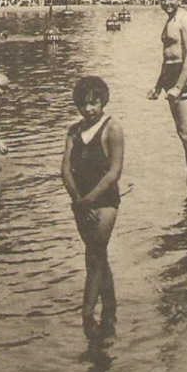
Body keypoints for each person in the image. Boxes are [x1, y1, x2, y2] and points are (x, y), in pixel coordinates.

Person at [61, 75, 124, 337]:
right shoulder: (73, 131)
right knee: (99, 255)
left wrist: (89, 200)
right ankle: (110, 308)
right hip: (80, 202)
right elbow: (64, 169)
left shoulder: (113, 129)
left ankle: (87, 316)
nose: (88, 109)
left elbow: (114, 173)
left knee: (94, 256)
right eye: (83, 104)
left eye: (94, 103)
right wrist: (78, 199)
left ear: (103, 102)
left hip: (104, 203)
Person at [148, 0, 187, 200]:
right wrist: (158, 86)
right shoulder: (169, 20)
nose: (167, 3)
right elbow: (167, 57)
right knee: (181, 132)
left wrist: (178, 86)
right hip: (171, 75)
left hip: (183, 77)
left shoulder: (186, 20)